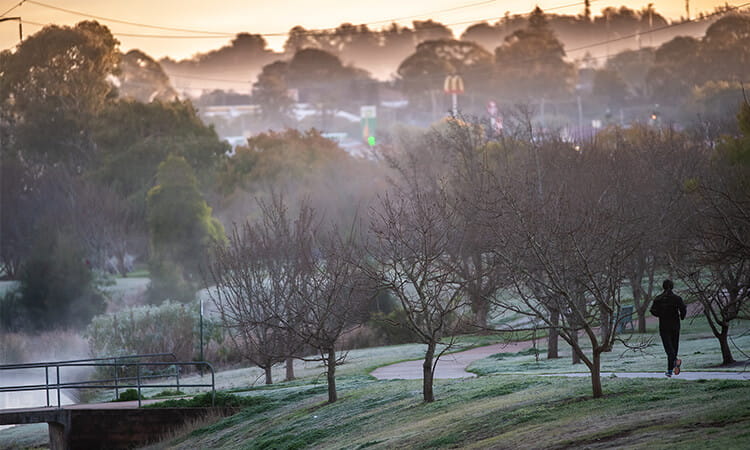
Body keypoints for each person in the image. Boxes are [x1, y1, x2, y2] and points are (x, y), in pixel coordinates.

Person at [650, 279, 687, 377]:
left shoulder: (658, 298)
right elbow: (683, 309)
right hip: (675, 324)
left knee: (668, 348)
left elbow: (652, 310)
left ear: (663, 286)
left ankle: (673, 365)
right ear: (672, 286)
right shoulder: (677, 298)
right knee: (674, 347)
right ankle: (670, 370)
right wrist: (682, 317)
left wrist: (660, 314)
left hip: (664, 325)